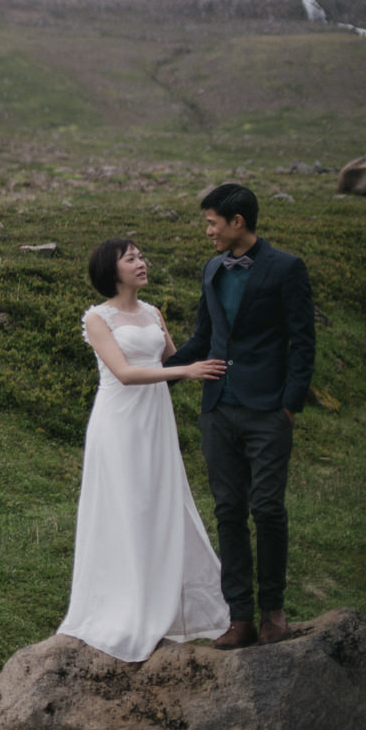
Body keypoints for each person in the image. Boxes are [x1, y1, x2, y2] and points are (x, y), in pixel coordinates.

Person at [56, 237, 230, 662]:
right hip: (119, 422)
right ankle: (124, 605)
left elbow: (174, 357)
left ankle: (165, 602)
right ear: (110, 270)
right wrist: (185, 370)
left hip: (156, 420)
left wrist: (205, 350)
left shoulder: (153, 312)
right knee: (128, 506)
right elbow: (124, 372)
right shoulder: (97, 318)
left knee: (158, 503)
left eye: (140, 256)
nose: (141, 262)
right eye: (130, 258)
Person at [163, 182, 315, 648]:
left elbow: (302, 341)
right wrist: (152, 377)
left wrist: (288, 405)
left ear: (237, 222)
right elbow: (203, 337)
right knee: (228, 511)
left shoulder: (286, 268)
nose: (207, 232)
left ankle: (273, 610)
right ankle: (239, 618)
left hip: (268, 410)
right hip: (217, 410)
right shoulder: (211, 269)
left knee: (267, 509)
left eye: (211, 223)